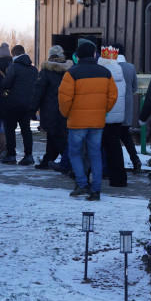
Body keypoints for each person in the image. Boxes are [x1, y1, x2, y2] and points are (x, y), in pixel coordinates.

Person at [58, 39, 117, 201]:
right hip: (97, 121)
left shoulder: (72, 73)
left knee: (75, 153)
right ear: (93, 54)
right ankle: (96, 189)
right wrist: (103, 111)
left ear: (78, 56)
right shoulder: (105, 73)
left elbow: (64, 99)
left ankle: (82, 184)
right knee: (95, 155)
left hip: (77, 121)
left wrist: (67, 114)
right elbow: (113, 96)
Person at [31, 44, 71, 171]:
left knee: (58, 138)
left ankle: (69, 163)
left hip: (50, 109)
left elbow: (39, 92)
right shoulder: (69, 70)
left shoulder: (46, 71)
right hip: (65, 108)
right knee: (53, 135)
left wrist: (32, 109)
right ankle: (48, 160)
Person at [1, 45, 37, 165]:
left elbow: (6, 84)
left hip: (13, 103)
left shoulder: (13, 67)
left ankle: (11, 155)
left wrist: (3, 80)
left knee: (10, 129)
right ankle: (29, 155)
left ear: (14, 55)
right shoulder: (33, 69)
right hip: (28, 104)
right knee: (26, 130)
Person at [98, 46, 128, 187]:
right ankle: (119, 179)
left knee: (95, 148)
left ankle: (86, 175)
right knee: (115, 148)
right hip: (117, 117)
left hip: (103, 115)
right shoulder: (119, 73)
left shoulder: (102, 74)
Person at [115, 44, 142, 174]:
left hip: (114, 106)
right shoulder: (131, 67)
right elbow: (134, 88)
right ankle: (135, 160)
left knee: (112, 138)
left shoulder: (110, 67)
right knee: (126, 135)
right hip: (127, 105)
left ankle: (115, 165)